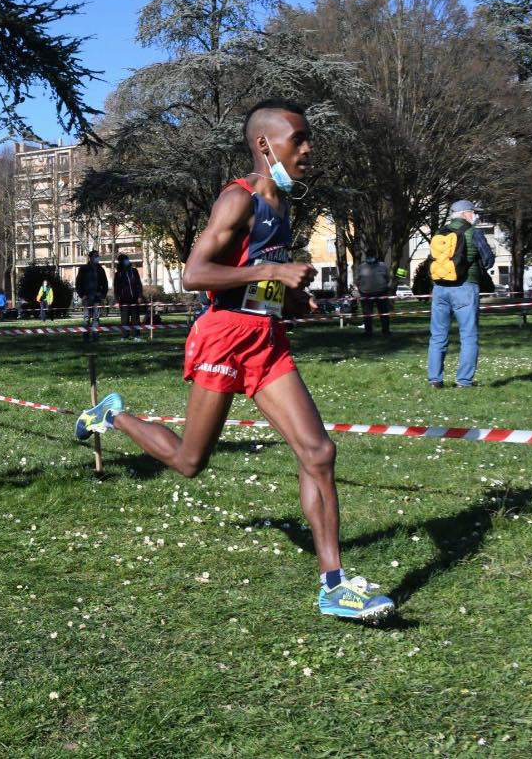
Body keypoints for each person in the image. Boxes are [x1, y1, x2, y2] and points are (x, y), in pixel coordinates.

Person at [75, 99, 395, 623]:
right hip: (223, 339)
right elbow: (195, 275)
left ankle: (333, 585)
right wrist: (274, 272)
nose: (309, 148)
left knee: (318, 452)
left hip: (266, 339)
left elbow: (259, 277)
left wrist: (294, 298)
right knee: (189, 463)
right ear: (266, 145)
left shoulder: (284, 206)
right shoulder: (237, 199)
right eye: (299, 139)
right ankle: (112, 415)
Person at [427, 199, 494, 388]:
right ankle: (464, 381)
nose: (476, 216)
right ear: (465, 214)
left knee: (438, 335)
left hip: (440, 288)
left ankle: (435, 379)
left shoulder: (440, 233)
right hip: (465, 287)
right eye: (474, 212)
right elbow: (488, 259)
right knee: (468, 336)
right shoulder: (474, 232)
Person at [352, 252, 392, 337]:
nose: (370, 258)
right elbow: (356, 280)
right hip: (366, 294)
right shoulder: (361, 267)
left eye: (372, 256)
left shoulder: (383, 266)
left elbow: (388, 278)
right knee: (367, 315)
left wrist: (386, 287)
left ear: (376, 256)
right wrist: (360, 290)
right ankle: (368, 332)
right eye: (368, 256)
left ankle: (386, 331)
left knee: (384, 313)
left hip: (381, 293)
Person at [75, 249, 108, 341]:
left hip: (97, 298)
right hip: (87, 298)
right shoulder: (83, 269)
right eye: (95, 256)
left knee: (96, 318)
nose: (98, 258)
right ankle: (86, 337)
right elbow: (78, 283)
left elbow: (105, 283)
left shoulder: (101, 269)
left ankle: (95, 337)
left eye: (98, 256)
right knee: (86, 318)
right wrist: (82, 295)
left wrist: (102, 295)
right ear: (90, 257)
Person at [113, 254, 144, 340]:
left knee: (135, 319)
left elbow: (139, 284)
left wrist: (140, 296)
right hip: (123, 300)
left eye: (127, 259)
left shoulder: (134, 271)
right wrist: (116, 301)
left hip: (134, 298)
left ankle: (136, 335)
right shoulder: (118, 274)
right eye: (125, 260)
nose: (127, 261)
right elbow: (116, 288)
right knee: (124, 319)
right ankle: (125, 335)